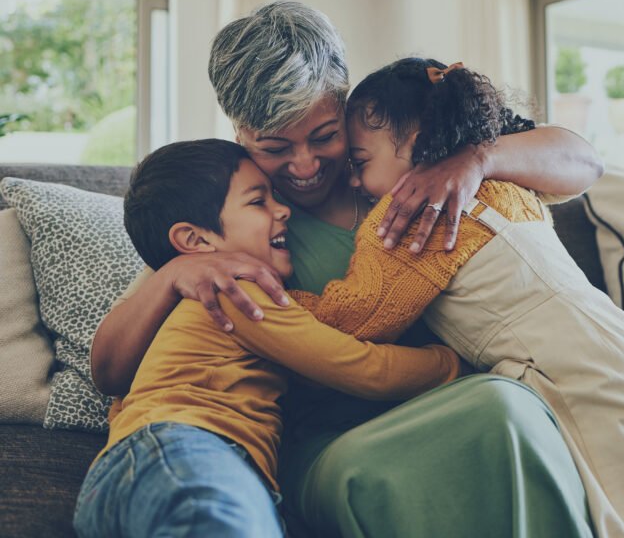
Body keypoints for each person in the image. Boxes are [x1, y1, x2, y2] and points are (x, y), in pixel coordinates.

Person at [91, 1, 604, 537]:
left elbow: (584, 162)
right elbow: (109, 371)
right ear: (240, 135)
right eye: (274, 147)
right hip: (334, 442)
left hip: (451, 397)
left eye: (324, 136)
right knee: (499, 408)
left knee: (513, 409)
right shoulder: (235, 220)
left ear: (345, 106)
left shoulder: (406, 159)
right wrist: (172, 275)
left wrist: (477, 159)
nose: (306, 166)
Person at [288, 57, 624, 537]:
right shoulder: (509, 185)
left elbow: (354, 318)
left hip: (575, 374)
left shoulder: (416, 218)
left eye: (361, 163)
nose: (356, 181)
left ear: (419, 143)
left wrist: (264, 298)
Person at [74, 139, 461, 538]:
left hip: (139, 475)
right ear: (195, 241)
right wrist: (453, 363)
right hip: (182, 452)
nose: (283, 209)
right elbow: (364, 368)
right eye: (258, 202)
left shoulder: (191, 296)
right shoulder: (233, 291)